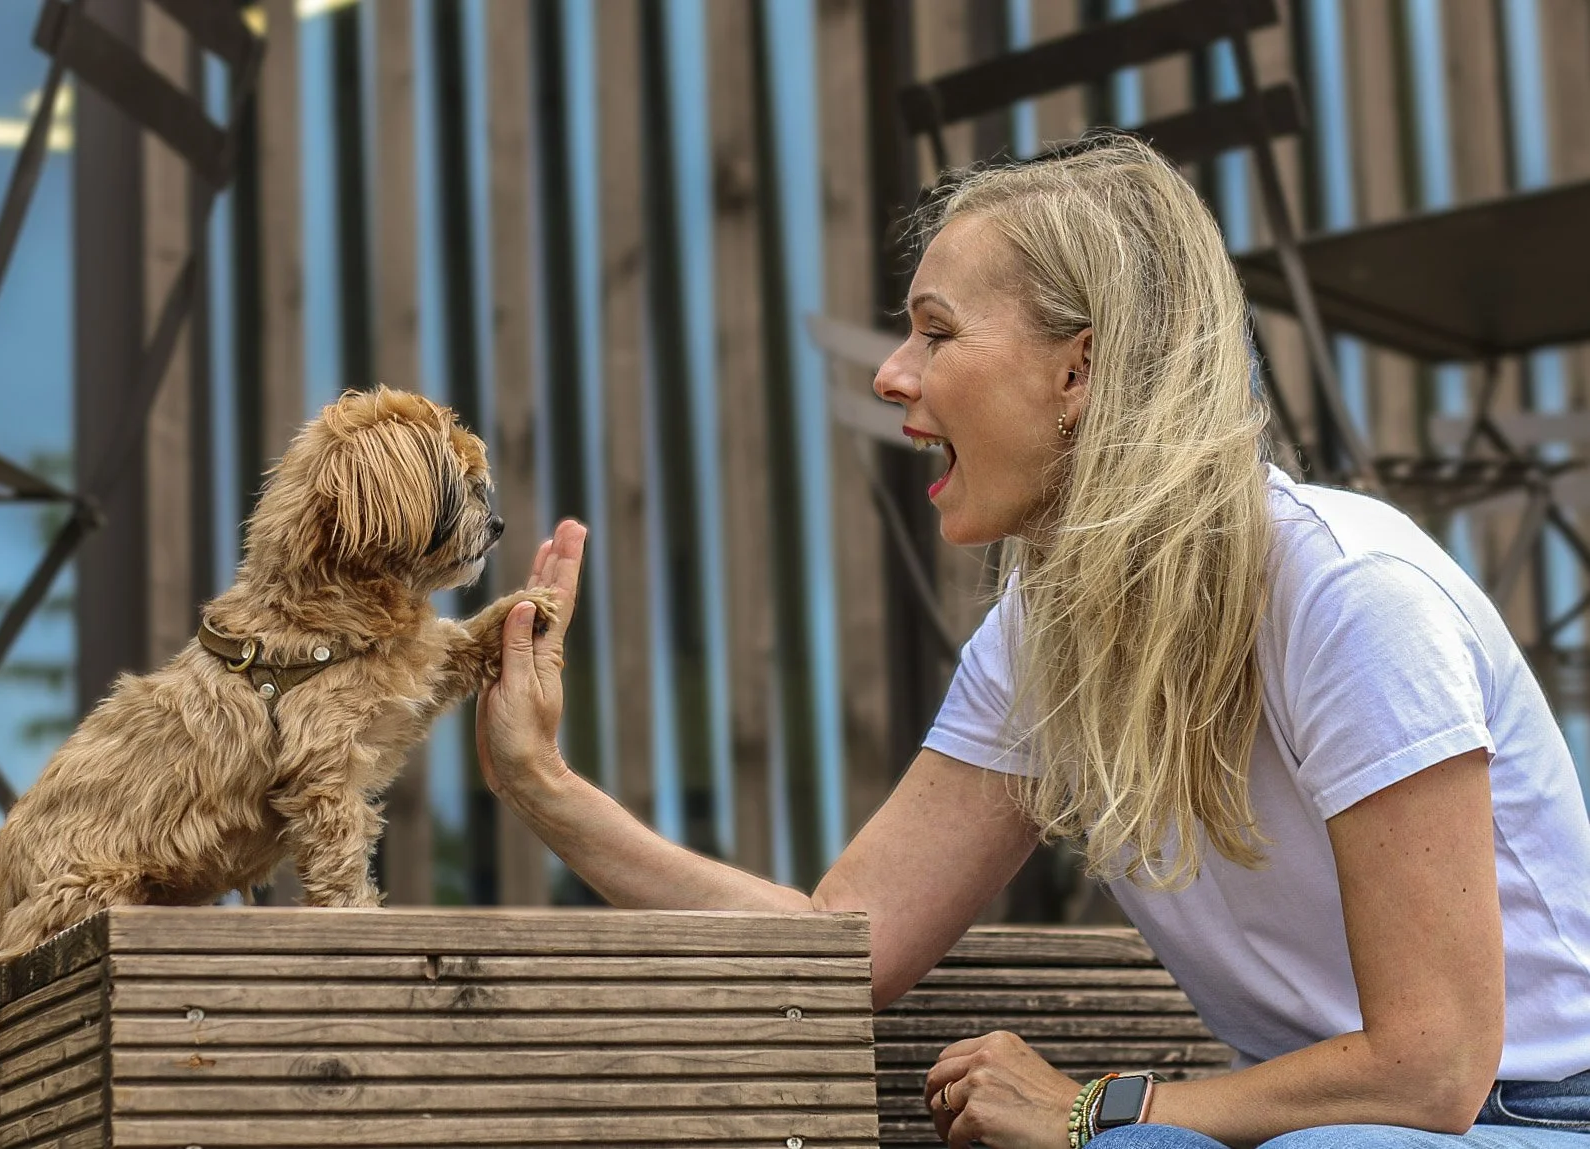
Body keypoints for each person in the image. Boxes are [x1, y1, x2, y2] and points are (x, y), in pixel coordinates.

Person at [473, 135, 1590, 1149]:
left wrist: (1094, 1106)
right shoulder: (1041, 639)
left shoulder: (1350, 597)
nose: (889, 374)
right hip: (1328, 1121)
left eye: (938, 332)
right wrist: (541, 782)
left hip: (1534, 1109)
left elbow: (1434, 1068)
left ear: (1078, 373)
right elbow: (837, 948)